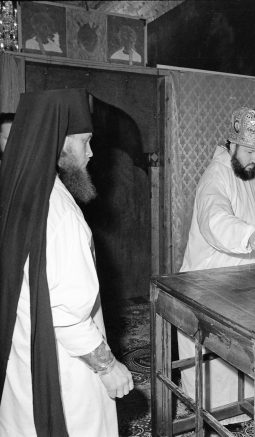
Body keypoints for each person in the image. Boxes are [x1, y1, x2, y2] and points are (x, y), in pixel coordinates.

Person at [0, 89, 133, 436]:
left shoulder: (16, 188)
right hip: (61, 367)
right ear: (56, 141)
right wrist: (108, 367)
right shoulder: (60, 214)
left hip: (22, 353)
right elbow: (67, 315)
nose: (90, 153)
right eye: (84, 141)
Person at [177, 107, 255, 423]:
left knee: (242, 359)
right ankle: (205, 417)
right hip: (212, 282)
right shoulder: (216, 175)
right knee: (214, 364)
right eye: (249, 151)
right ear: (232, 144)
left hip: (244, 283)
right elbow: (214, 219)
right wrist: (250, 236)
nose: (254, 159)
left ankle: (240, 413)